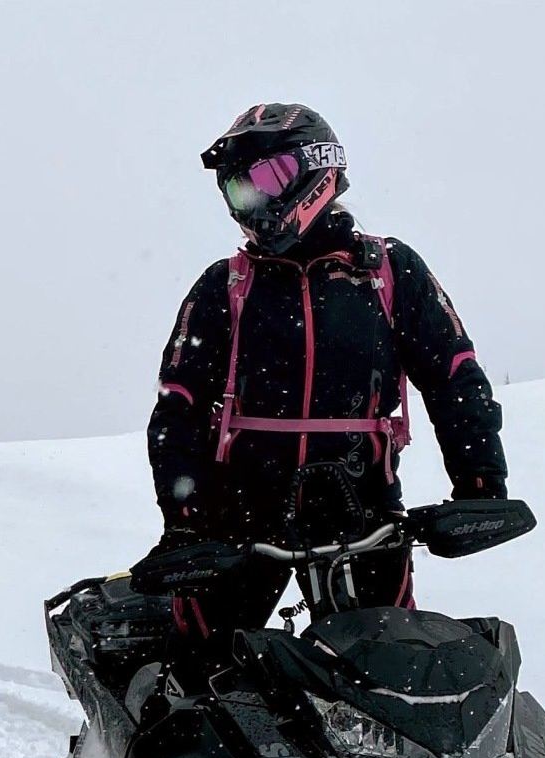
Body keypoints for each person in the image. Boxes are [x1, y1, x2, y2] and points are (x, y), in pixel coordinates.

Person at [146, 102, 507, 684]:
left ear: (319, 169)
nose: (254, 204)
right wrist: (182, 521)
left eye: (265, 180)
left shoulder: (391, 272)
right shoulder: (225, 286)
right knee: (200, 677)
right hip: (236, 514)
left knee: (386, 678)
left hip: (363, 510)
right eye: (239, 190)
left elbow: (454, 377)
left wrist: (481, 483)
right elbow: (178, 408)